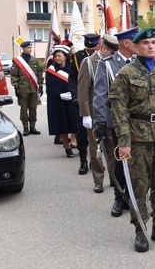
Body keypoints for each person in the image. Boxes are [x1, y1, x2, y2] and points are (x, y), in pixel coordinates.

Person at [110, 27, 155, 253]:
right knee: (139, 186)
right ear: (135, 46)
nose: (151, 46)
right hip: (137, 138)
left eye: (153, 42)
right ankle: (140, 229)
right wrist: (124, 141)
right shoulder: (126, 74)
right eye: (145, 43)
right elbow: (118, 109)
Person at [94, 27, 138, 217]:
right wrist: (100, 122)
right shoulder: (107, 65)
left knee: (137, 161)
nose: (138, 43)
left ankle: (133, 196)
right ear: (126, 43)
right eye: (135, 40)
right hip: (117, 122)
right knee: (120, 162)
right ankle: (119, 198)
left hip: (138, 122)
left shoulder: (139, 63)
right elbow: (100, 95)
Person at [78, 33, 115, 193]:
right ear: (104, 48)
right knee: (95, 149)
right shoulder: (89, 62)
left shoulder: (112, 62)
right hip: (94, 113)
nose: (113, 55)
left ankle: (114, 177)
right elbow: (83, 90)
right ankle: (98, 180)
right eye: (111, 52)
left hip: (111, 114)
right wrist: (85, 114)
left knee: (112, 147)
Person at [69, 33, 100, 175]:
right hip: (82, 100)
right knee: (82, 132)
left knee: (99, 133)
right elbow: (73, 79)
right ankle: (83, 161)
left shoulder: (102, 57)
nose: (91, 52)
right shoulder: (78, 57)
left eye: (93, 49)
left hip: (97, 100)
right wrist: (76, 97)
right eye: (89, 49)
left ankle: (97, 162)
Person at [45, 45, 80, 158]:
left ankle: (76, 142)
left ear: (65, 56)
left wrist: (73, 93)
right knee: (63, 125)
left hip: (71, 100)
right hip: (58, 102)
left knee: (75, 123)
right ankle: (67, 148)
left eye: (60, 56)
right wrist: (59, 95)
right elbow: (49, 88)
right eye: (55, 56)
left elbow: (76, 82)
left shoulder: (71, 68)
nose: (57, 58)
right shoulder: (51, 70)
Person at [11, 40, 44, 135]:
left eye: (31, 48)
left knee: (33, 108)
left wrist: (41, 86)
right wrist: (16, 87)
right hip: (23, 88)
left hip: (33, 88)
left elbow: (39, 73)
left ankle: (32, 126)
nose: (30, 49)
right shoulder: (18, 61)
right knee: (24, 109)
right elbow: (14, 75)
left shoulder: (34, 60)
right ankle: (25, 127)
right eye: (28, 48)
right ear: (23, 48)